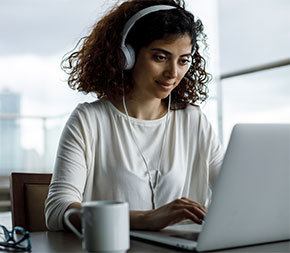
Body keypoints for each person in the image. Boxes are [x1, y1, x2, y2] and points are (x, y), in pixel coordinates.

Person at [45, 0, 224, 232]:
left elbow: (234, 193)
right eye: (160, 57)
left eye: (183, 61)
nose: (173, 72)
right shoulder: (88, 120)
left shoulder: (194, 120)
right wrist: (146, 219)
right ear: (125, 56)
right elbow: (58, 211)